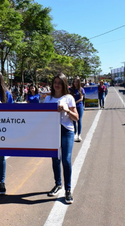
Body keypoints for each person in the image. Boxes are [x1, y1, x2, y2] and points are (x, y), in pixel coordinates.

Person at [44, 73, 79, 204]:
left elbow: (76, 117)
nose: (57, 84)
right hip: (53, 132)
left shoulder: (69, 98)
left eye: (60, 82)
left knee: (66, 160)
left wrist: (66, 110)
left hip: (66, 131)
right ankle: (58, 184)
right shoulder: (48, 99)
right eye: (55, 82)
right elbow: (42, 117)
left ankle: (68, 190)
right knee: (55, 159)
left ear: (64, 84)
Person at [70, 77, 85, 142]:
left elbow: (81, 98)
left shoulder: (81, 89)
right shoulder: (71, 89)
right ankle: (75, 133)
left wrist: (75, 102)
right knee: (73, 120)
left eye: (76, 82)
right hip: (73, 107)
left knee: (79, 120)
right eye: (74, 82)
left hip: (79, 106)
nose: (75, 83)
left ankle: (79, 134)